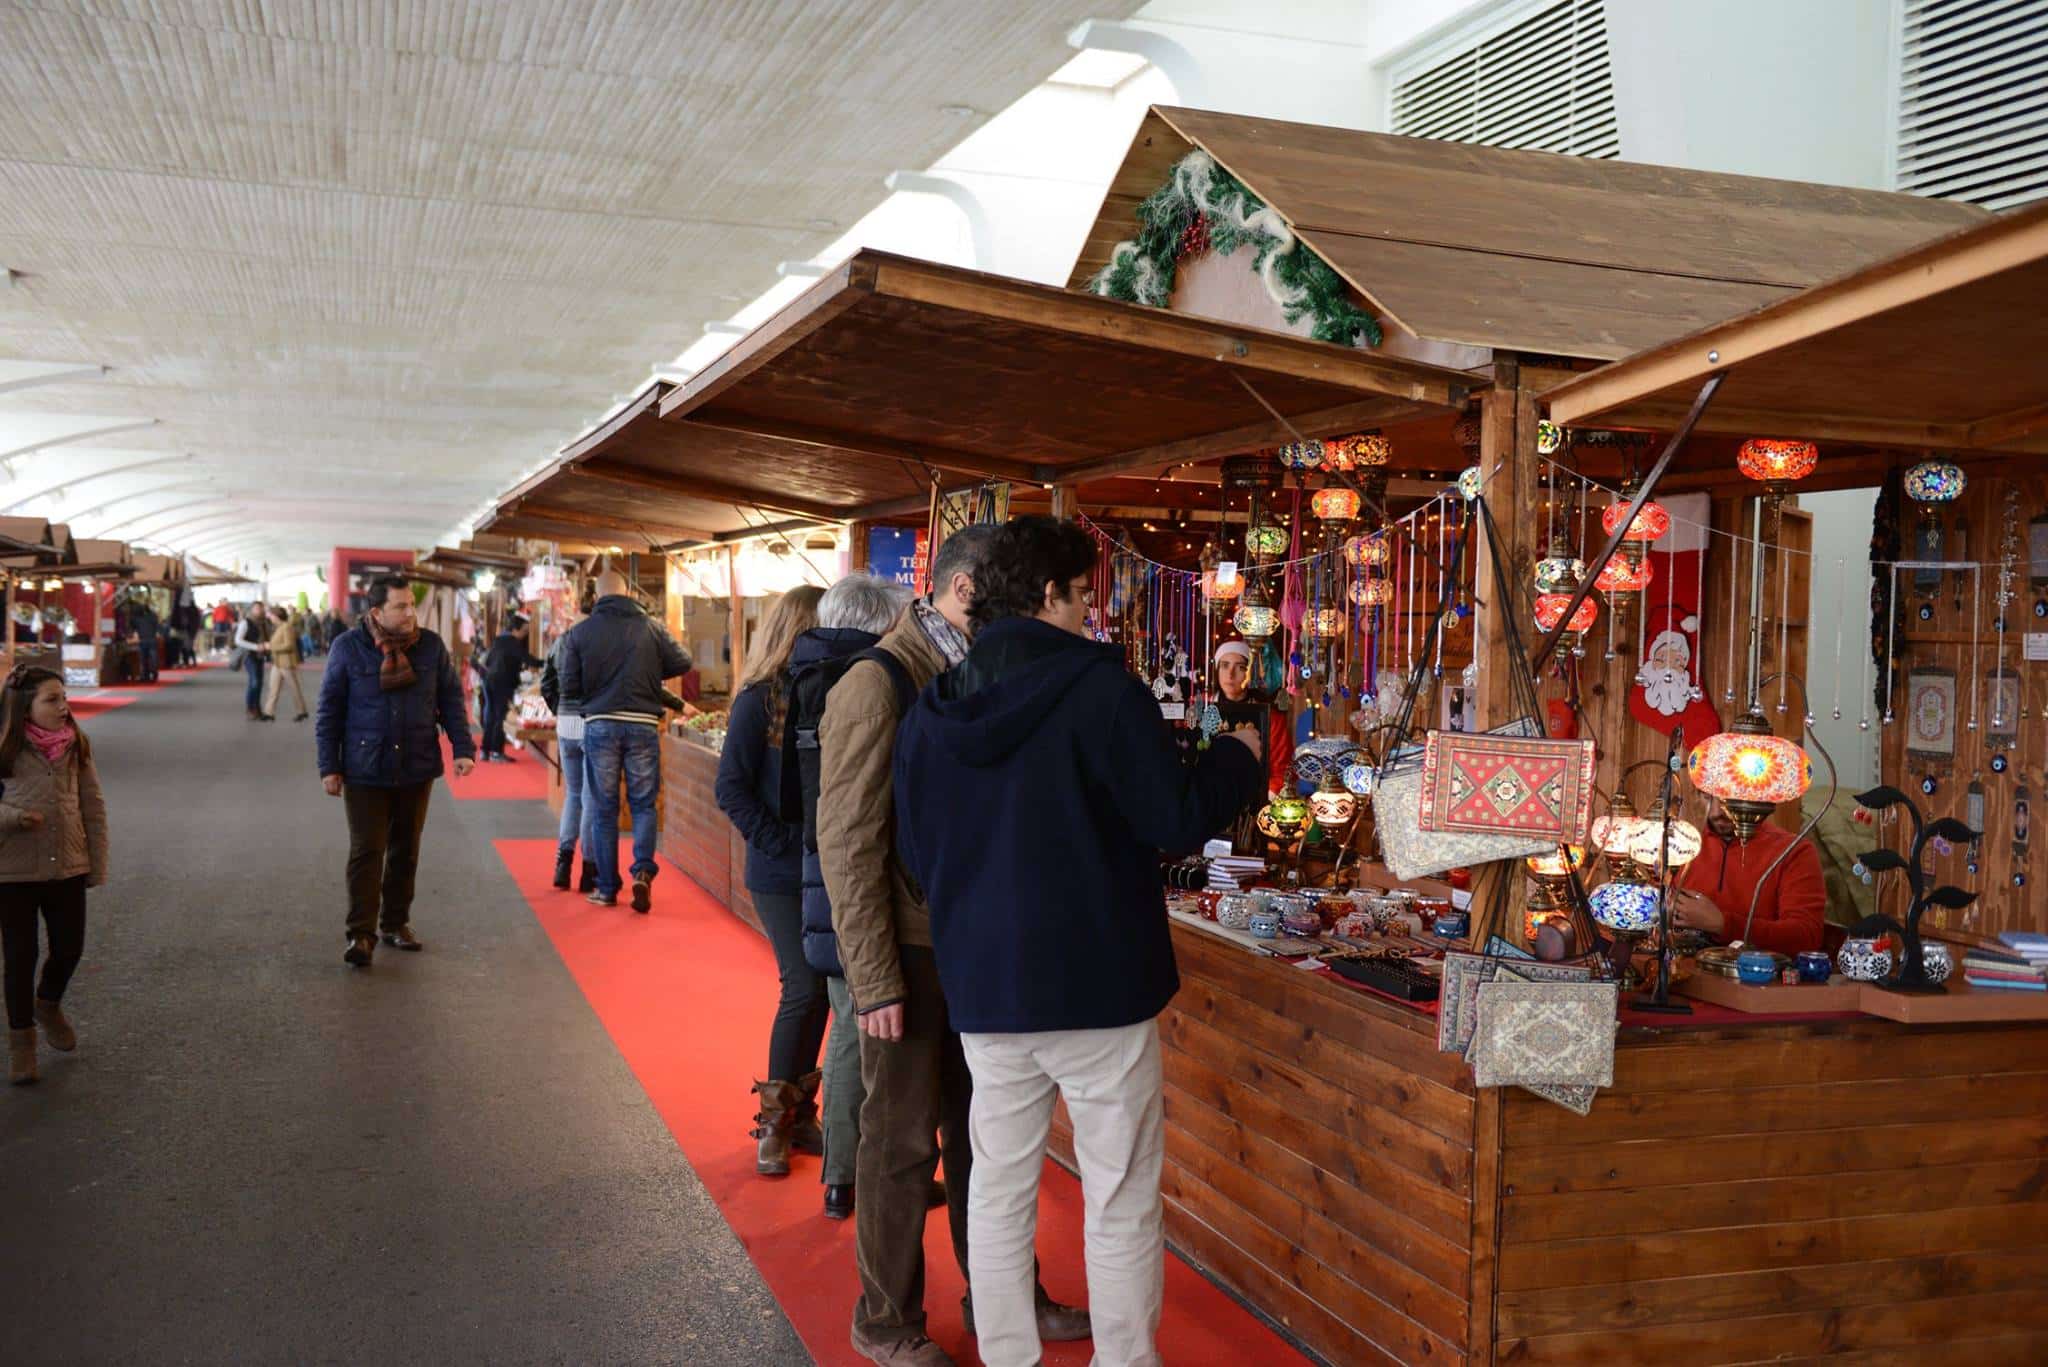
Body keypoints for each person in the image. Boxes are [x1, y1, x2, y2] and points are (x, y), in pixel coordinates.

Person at [893, 516, 1265, 1367]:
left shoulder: (934, 709)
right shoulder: (1104, 691)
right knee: (1120, 1193)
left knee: (998, 1187)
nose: (1090, 612)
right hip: (1100, 982)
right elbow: (1173, 816)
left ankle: (1010, 1358)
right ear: (1052, 595)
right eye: (1084, 595)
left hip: (986, 986)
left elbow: (915, 853)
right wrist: (1240, 756)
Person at [817, 528, 1087, 1365]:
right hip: (908, 950)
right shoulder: (878, 680)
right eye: (1016, 587)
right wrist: (873, 978)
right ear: (970, 587)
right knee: (899, 1145)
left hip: (978, 948)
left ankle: (1001, 1295)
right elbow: (847, 840)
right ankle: (886, 1319)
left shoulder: (987, 669)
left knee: (992, 1140)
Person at [784, 574, 915, 1219]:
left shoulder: (803, 673)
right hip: (851, 870)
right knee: (851, 1024)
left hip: (816, 861)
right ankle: (846, 1177)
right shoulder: (865, 679)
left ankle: (845, 1175)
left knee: (846, 1018)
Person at [712, 585, 828, 1180]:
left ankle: (801, 1112)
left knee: (822, 992)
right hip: (782, 870)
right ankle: (775, 1124)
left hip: (824, 865)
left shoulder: (829, 693)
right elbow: (729, 787)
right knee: (803, 986)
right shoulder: (757, 701)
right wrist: (783, 843)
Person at [315, 574, 475, 968]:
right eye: (400, 606)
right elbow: (329, 711)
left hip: (416, 764)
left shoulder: (431, 647)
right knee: (367, 851)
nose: (410, 613)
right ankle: (361, 934)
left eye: (411, 605)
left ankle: (395, 923)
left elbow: (451, 700)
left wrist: (463, 747)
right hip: (364, 767)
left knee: (405, 851)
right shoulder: (348, 648)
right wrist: (329, 766)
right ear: (376, 612)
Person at [0, 667, 108, 1086]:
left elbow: (93, 805)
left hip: (67, 864)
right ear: (26, 705)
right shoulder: (5, 748)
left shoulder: (76, 745)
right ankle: (21, 1044)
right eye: (51, 700)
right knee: (19, 958)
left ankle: (48, 1003)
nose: (63, 707)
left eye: (64, 698)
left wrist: (95, 862)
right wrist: (13, 818)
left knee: (69, 948)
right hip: (13, 871)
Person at [559, 570, 690, 912]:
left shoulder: (580, 633)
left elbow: (568, 688)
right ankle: (643, 872)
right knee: (644, 805)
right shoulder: (651, 626)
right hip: (643, 724)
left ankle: (606, 888)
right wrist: (646, 669)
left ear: (596, 595)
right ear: (628, 591)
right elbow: (683, 661)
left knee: (604, 809)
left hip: (600, 724)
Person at [1671, 798, 1827, 954]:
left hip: (1759, 975)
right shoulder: (1682, 843)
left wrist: (1722, 924)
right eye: (1707, 797)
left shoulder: (1794, 851)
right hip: (1684, 970)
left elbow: (1807, 938)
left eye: (1728, 799)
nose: (1717, 812)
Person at [540, 605, 596, 893]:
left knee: (573, 795)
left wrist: (559, 709)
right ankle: (588, 869)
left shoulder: (560, 642)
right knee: (589, 797)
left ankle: (563, 863)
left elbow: (545, 682)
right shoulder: (598, 642)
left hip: (565, 724)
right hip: (591, 723)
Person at [1213, 639, 1294, 795]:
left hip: (1254, 802)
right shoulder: (1198, 709)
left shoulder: (1271, 718)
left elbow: (1282, 770)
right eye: (1224, 665)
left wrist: (1265, 801)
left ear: (1251, 673)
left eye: (1240, 667)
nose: (1230, 674)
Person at [480, 614, 541, 763]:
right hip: (502, 682)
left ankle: (485, 750)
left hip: (489, 680)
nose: (525, 635)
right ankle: (496, 752)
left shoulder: (499, 640)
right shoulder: (512, 642)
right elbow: (527, 659)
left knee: (491, 715)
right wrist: (548, 663)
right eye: (524, 631)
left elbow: (488, 661)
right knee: (500, 717)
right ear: (515, 629)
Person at [261, 603, 310, 722]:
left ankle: (302, 711)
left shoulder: (286, 627)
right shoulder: (279, 627)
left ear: (277, 616)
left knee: (294, 688)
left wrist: (271, 646)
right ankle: (269, 713)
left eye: (271, 616)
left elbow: (289, 645)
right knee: (273, 688)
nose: (270, 618)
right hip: (278, 663)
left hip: (287, 663)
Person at [233, 603, 270, 720]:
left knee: (259, 683)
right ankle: (250, 708)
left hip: (260, 655)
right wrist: (255, 646)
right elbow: (238, 640)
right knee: (254, 681)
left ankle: (257, 709)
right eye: (258, 608)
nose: (260, 610)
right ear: (252, 610)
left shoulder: (263, 622)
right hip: (249, 655)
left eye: (261, 608)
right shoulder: (245, 622)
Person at [130, 599, 161, 683]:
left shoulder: (135, 618)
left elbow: (134, 629)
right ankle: (154, 673)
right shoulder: (153, 616)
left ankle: (145, 675)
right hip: (151, 639)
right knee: (152, 658)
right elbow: (157, 627)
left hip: (143, 640)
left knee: (143, 659)